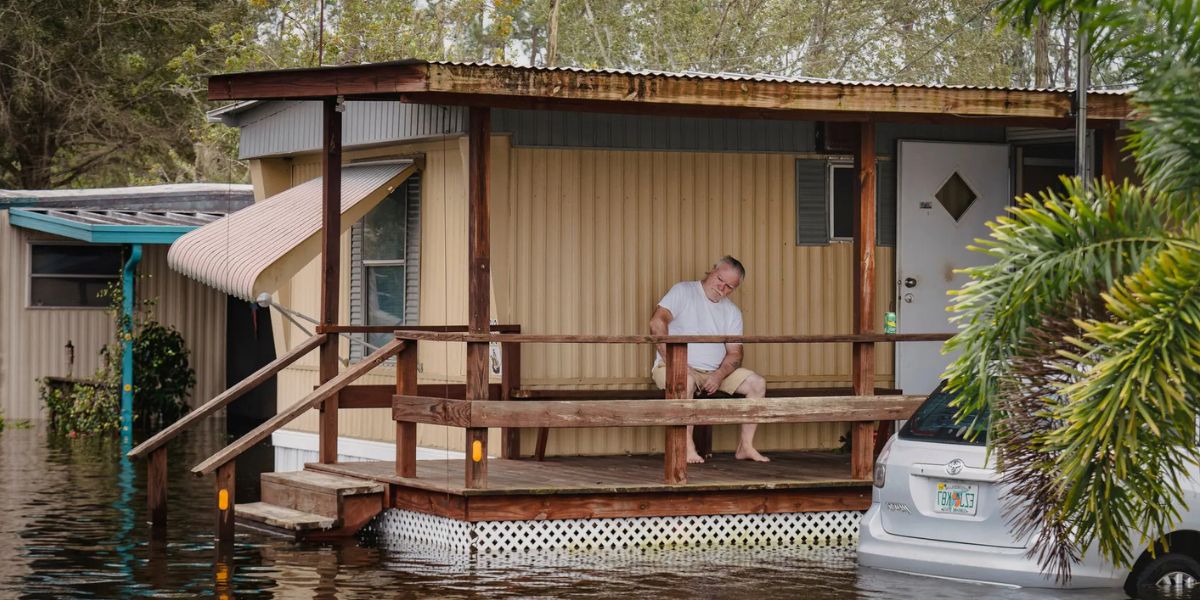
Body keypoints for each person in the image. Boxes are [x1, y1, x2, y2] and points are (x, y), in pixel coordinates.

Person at [649, 256, 768, 464]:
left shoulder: (732, 311)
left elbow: (735, 353)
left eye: (729, 286)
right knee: (683, 380)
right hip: (673, 366)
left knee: (757, 383)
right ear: (712, 271)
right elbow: (657, 321)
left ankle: (745, 446)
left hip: (714, 372)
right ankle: (686, 446)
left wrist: (719, 374)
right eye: (720, 279)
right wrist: (676, 363)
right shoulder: (683, 291)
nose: (722, 288)